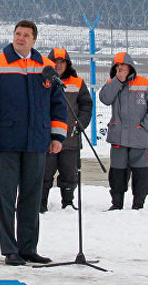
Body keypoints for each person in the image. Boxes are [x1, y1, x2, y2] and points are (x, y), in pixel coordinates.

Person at [0, 20, 67, 266]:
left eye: (26, 35)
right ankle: (10, 249)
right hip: (6, 141)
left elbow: (58, 105)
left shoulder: (46, 67)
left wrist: (57, 136)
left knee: (31, 196)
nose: (21, 38)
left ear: (34, 40)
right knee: (5, 196)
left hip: (36, 143)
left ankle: (28, 248)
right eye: (18, 34)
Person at [41, 48, 92, 212]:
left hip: (70, 139)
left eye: (62, 62)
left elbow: (86, 105)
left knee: (70, 173)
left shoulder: (77, 82)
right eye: (55, 62)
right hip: (47, 139)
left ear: (67, 64)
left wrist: (81, 124)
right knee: (44, 173)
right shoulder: (42, 81)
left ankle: (68, 202)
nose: (58, 65)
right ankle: (41, 203)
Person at [99, 52, 148, 210]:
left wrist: (144, 127)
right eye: (117, 66)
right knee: (117, 173)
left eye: (123, 65)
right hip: (118, 139)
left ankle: (138, 205)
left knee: (141, 174)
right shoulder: (112, 84)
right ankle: (117, 203)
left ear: (130, 66)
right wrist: (117, 82)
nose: (120, 68)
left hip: (140, 139)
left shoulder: (144, 83)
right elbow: (105, 99)